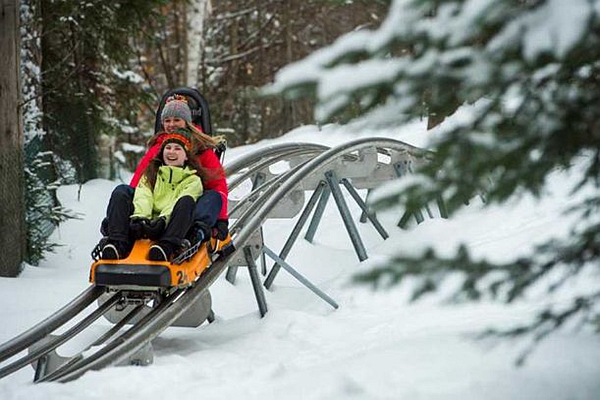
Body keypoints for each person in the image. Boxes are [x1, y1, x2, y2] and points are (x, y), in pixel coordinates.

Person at [101, 94, 229, 258]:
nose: (171, 125)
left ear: (187, 121)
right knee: (122, 192)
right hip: (155, 202)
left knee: (211, 197)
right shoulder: (159, 146)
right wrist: (133, 214)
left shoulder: (201, 148)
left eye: (177, 120)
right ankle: (117, 241)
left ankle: (192, 235)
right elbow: (140, 183)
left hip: (183, 206)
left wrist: (221, 219)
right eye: (167, 121)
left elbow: (218, 185)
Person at [102, 130, 204, 261]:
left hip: (169, 225)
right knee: (120, 192)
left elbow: (177, 202)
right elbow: (144, 196)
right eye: (168, 148)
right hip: (145, 223)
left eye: (177, 148)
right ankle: (118, 243)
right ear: (162, 153)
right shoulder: (150, 174)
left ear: (186, 156)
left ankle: (166, 247)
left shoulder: (193, 180)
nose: (171, 152)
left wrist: (162, 221)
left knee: (187, 201)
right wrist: (140, 218)